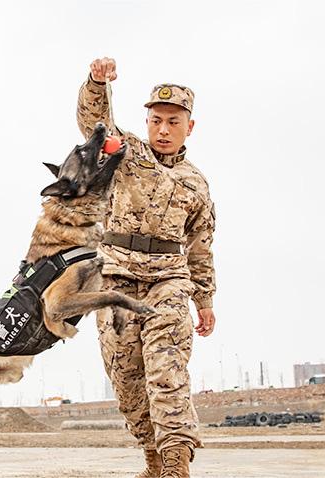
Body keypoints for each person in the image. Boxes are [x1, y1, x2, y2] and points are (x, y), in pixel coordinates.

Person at [77, 57, 217, 478]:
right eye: (157, 120)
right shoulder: (128, 153)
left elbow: (201, 247)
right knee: (127, 378)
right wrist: (96, 83)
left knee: (167, 368)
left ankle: (176, 462)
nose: (164, 129)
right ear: (148, 121)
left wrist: (205, 300)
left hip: (168, 281)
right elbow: (94, 123)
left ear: (189, 126)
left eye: (174, 122)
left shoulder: (197, 184)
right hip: (117, 280)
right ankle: (153, 460)